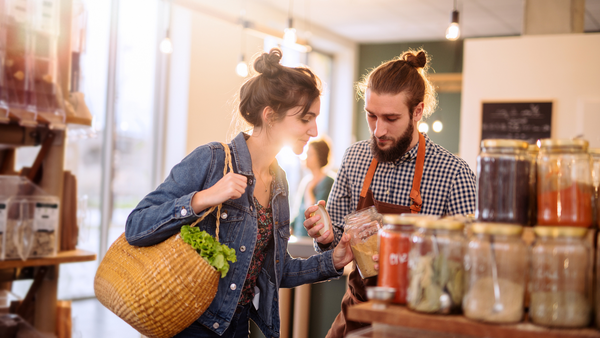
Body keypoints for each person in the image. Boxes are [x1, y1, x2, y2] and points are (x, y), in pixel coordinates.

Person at [125, 48, 354, 338]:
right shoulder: (212, 160)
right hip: (191, 327)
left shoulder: (279, 183)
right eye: (306, 119)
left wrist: (332, 261)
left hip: (237, 328)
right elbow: (136, 226)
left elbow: (275, 272)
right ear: (270, 116)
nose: (314, 129)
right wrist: (203, 199)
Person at [303, 49, 477, 337]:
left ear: (417, 111)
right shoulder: (355, 157)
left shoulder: (454, 173)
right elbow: (333, 240)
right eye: (371, 116)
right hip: (357, 315)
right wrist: (324, 236)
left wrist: (407, 257)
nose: (378, 130)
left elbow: (470, 263)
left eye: (391, 118)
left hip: (419, 324)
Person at [291, 138, 335, 237]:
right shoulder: (306, 181)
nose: (305, 158)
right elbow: (299, 213)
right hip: (299, 239)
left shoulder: (328, 182)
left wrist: (309, 190)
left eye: (310, 154)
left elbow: (313, 213)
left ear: (319, 157)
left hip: (313, 240)